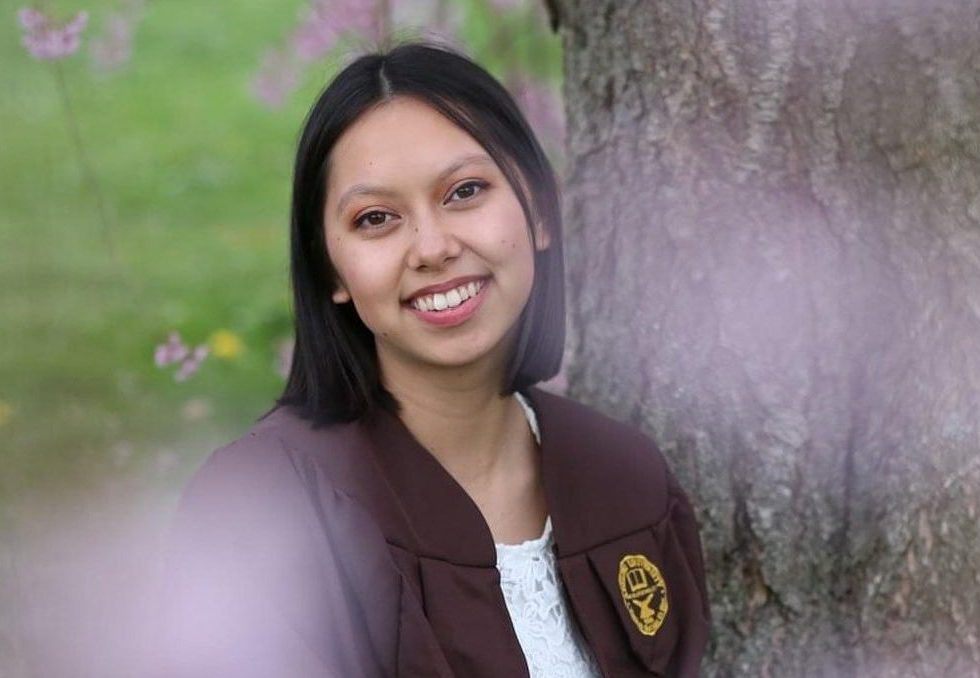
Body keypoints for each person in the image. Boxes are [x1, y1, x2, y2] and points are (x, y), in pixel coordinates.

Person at [158, 42, 710, 678]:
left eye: (465, 191)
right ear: (330, 268)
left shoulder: (625, 480)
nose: (432, 247)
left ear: (538, 209)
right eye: (376, 219)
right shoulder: (264, 511)